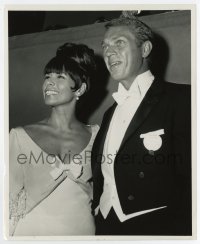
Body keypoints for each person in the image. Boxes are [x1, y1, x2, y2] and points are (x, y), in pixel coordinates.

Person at [91, 14, 192, 235]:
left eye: (119, 42)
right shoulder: (109, 113)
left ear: (145, 49)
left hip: (158, 228)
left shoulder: (184, 99)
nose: (108, 52)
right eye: (105, 46)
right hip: (106, 226)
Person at [9, 42, 99, 236]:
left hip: (82, 233)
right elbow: (6, 202)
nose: (49, 83)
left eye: (60, 77)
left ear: (80, 89)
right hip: (31, 233)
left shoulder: (98, 136)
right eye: (47, 76)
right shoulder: (19, 137)